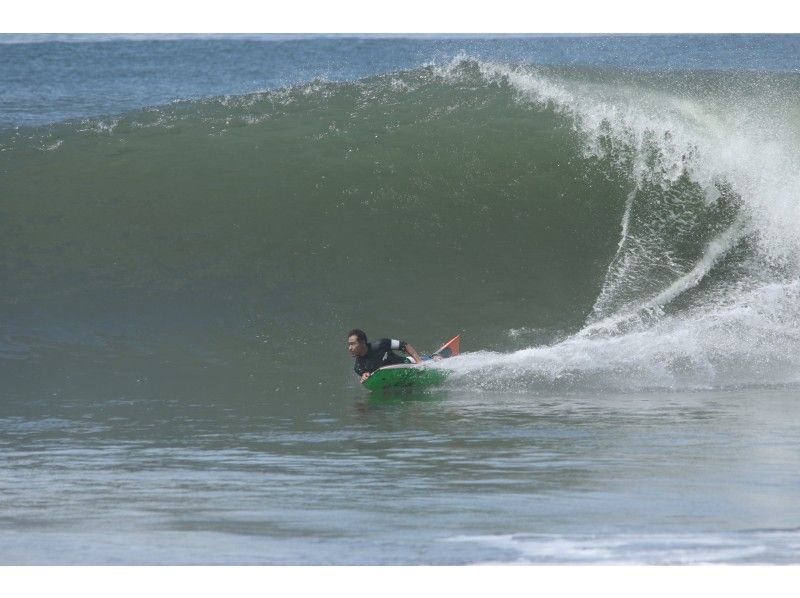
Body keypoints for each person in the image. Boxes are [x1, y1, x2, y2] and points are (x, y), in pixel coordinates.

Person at [347, 329, 422, 383]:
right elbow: (367, 376)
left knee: (429, 361)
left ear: (363, 342)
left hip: (409, 365)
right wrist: (366, 377)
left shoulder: (381, 344)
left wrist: (419, 362)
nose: (350, 348)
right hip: (394, 380)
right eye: (349, 344)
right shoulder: (358, 367)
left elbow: (404, 345)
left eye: (353, 344)